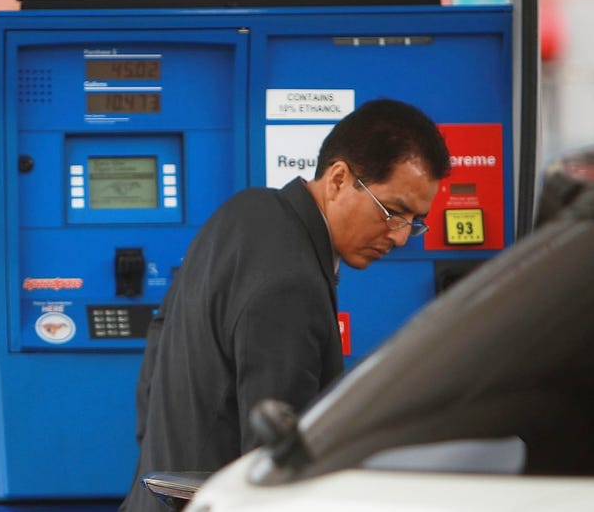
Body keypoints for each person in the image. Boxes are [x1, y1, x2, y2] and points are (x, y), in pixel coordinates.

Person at [121, 98, 451, 511]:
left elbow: (154, 360)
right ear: (338, 179)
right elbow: (276, 471)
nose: (401, 237)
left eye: (414, 223)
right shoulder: (292, 284)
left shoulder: (244, 213)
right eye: (393, 212)